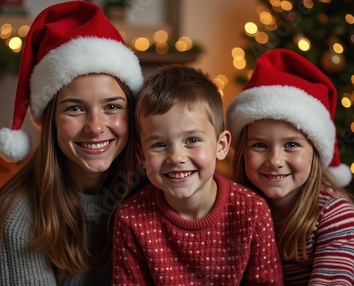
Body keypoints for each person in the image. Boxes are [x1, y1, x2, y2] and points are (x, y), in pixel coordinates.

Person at [0, 1, 145, 285]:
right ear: (51, 121)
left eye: (112, 107)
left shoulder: (151, 190)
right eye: (75, 108)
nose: (96, 127)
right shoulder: (18, 214)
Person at [226, 48, 354, 285]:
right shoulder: (242, 208)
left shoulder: (334, 213)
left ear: (315, 153)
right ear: (242, 152)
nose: (275, 160)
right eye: (260, 145)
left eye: (291, 144)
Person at [112, 65, 284, 285]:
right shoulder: (131, 218)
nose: (176, 157)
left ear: (221, 146)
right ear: (142, 155)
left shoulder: (252, 212)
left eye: (192, 140)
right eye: (159, 144)